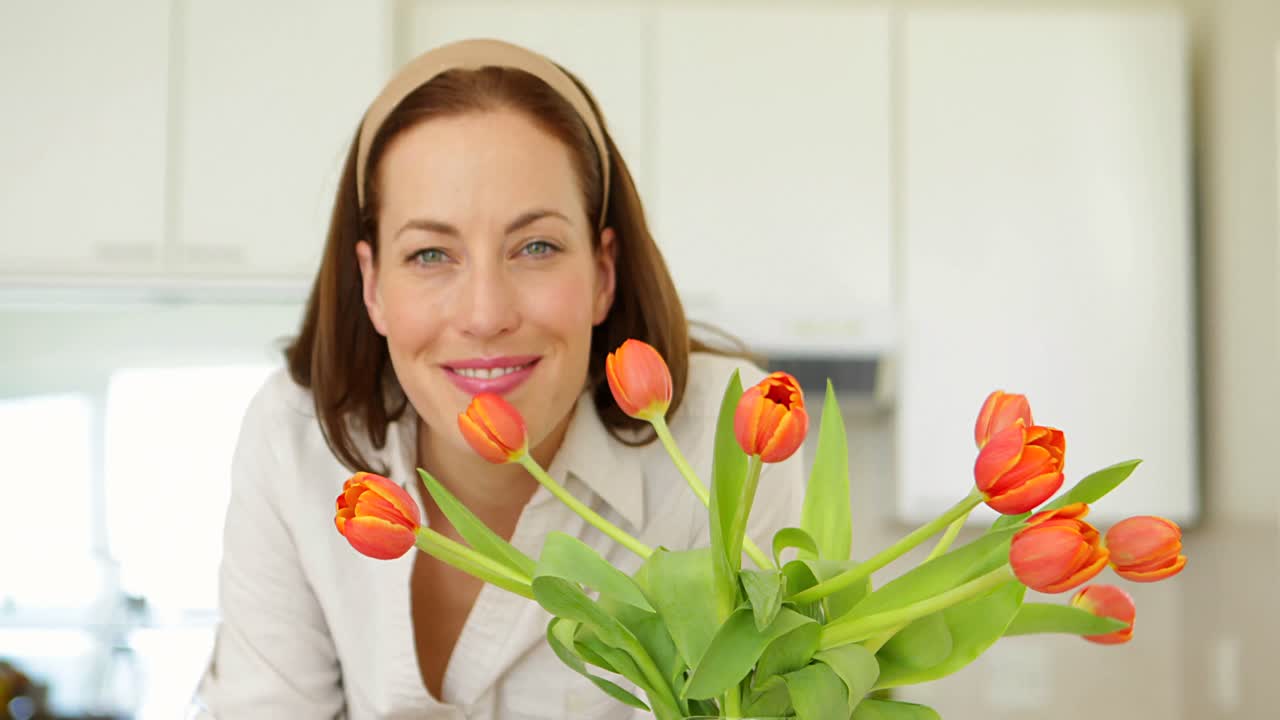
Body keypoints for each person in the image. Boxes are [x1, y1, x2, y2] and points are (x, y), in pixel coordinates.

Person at [194, 38, 804, 719]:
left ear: (603, 274)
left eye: (536, 247)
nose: (485, 316)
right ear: (372, 285)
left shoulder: (727, 436)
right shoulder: (292, 438)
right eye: (430, 254)